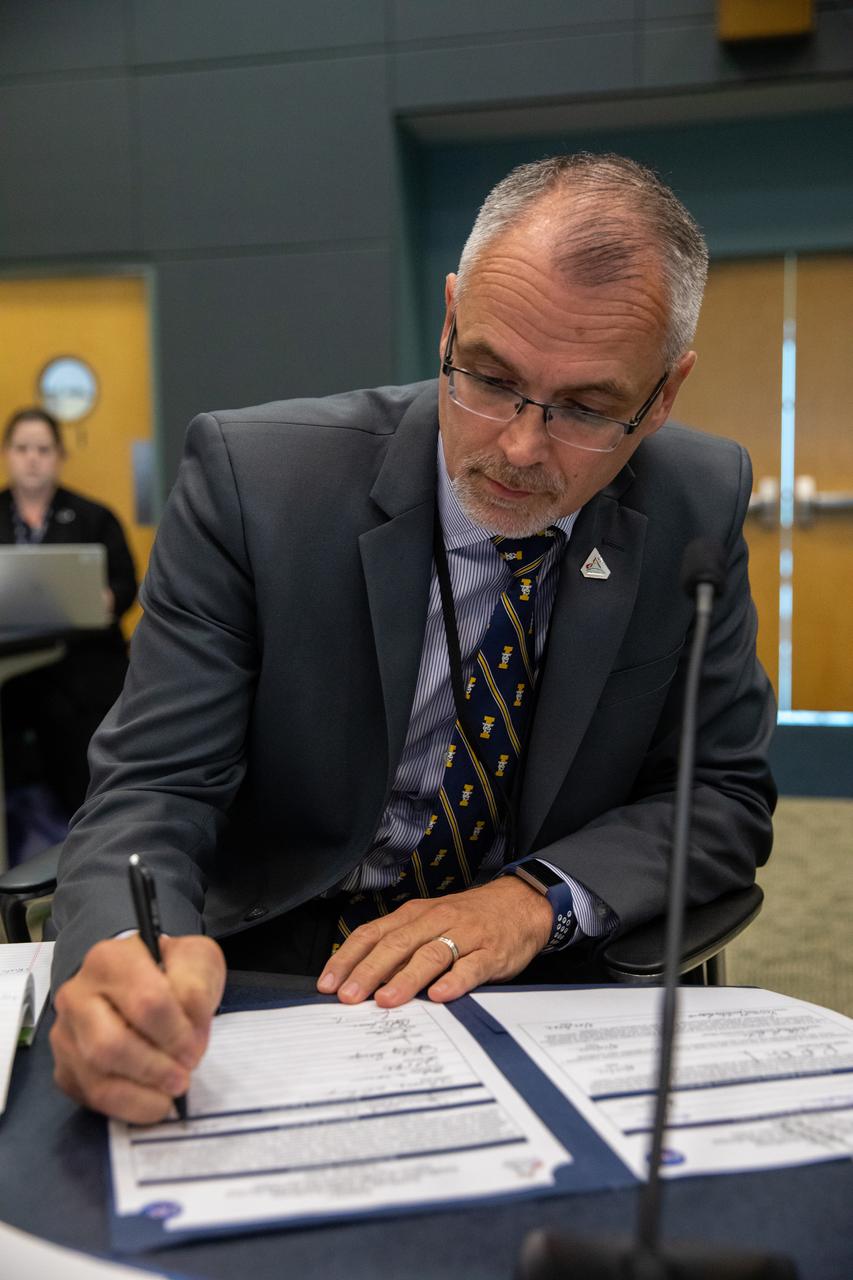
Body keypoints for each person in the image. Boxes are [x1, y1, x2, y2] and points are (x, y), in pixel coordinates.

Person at [48, 153, 776, 1123]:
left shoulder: (698, 500)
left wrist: (532, 899)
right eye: (488, 376)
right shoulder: (254, 483)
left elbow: (719, 792)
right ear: (447, 319)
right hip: (265, 962)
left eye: (588, 408)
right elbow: (154, 786)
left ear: (664, 392)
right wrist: (121, 960)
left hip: (533, 983)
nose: (519, 446)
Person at [1, 407, 137, 830]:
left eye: (43, 449)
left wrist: (107, 598)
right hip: (11, 673)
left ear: (59, 455)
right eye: (23, 448)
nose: (33, 458)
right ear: (7, 453)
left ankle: (94, 835)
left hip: (83, 671)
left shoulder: (94, 516)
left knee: (82, 732)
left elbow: (128, 584)